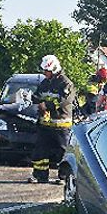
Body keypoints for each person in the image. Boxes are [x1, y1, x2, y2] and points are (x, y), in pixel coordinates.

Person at [28, 55, 76, 184]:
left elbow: (63, 101)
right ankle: (40, 176)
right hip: (45, 124)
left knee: (62, 151)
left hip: (61, 124)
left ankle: (64, 177)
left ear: (54, 69)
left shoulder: (66, 83)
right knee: (41, 151)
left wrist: (46, 105)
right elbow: (36, 96)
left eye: (47, 71)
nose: (44, 73)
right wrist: (37, 101)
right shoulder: (45, 83)